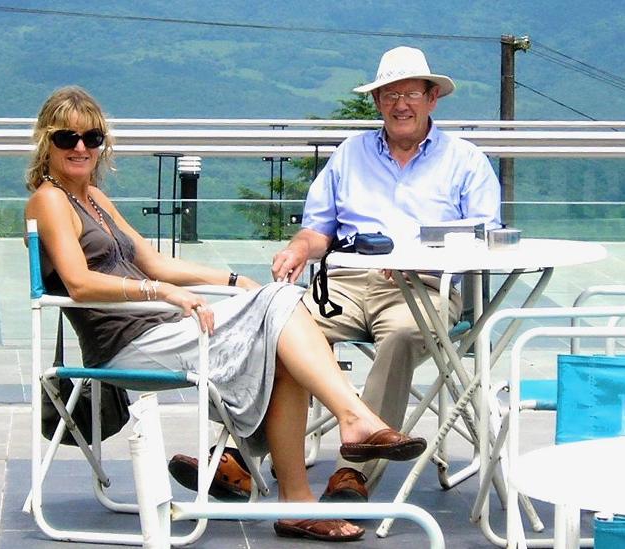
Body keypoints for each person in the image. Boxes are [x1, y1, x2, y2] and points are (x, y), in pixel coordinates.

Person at [24, 85, 428, 542]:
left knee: (280, 323)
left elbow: (155, 261)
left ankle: (300, 495)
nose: (81, 148)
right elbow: (79, 283)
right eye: (67, 138)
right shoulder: (50, 200)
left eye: (91, 138)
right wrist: (159, 292)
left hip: (162, 330)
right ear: (47, 142)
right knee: (281, 311)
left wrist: (233, 281)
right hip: (127, 348)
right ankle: (353, 424)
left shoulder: (92, 197)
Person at [179, 45, 502, 503]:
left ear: (433, 99)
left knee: (399, 339)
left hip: (427, 287)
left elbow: (481, 238)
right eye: (389, 94)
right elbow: (317, 232)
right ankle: (237, 457)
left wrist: (418, 255)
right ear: (377, 102)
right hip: (345, 283)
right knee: (277, 325)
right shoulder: (350, 155)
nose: (400, 104)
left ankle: (352, 473)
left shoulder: (467, 162)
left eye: (410, 92)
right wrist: (296, 248)